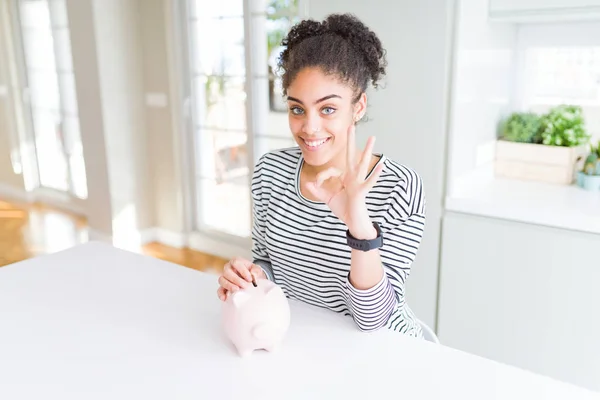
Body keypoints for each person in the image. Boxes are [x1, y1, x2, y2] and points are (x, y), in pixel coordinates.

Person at [216, 13, 426, 338]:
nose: (309, 128)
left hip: (383, 349)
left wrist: (358, 222)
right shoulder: (269, 173)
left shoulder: (399, 187)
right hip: (302, 338)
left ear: (358, 107)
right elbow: (269, 264)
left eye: (328, 109)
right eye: (297, 109)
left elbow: (372, 319)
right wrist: (251, 275)